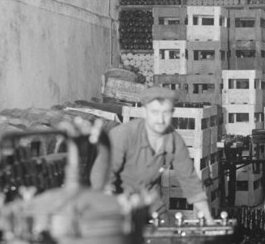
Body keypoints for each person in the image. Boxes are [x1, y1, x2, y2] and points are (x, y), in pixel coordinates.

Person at [90, 86, 214, 222]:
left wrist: (208, 219)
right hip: (118, 202)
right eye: (155, 112)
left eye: (165, 113)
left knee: (166, 238)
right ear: (145, 112)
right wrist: (114, 208)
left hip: (150, 203)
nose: (160, 120)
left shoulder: (174, 141)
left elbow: (190, 181)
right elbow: (101, 177)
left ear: (172, 113)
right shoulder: (123, 135)